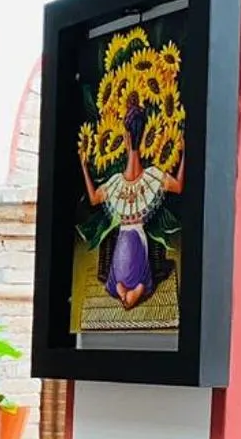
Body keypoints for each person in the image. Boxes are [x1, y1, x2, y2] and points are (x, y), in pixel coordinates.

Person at [79, 98, 184, 310]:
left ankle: (123, 290)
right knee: (142, 281)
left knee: (118, 280)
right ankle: (133, 290)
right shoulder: (152, 177)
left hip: (121, 250)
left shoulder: (115, 183)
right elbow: (179, 186)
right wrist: (184, 154)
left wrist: (84, 167)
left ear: (126, 139)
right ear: (144, 138)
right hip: (138, 244)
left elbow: (93, 198)